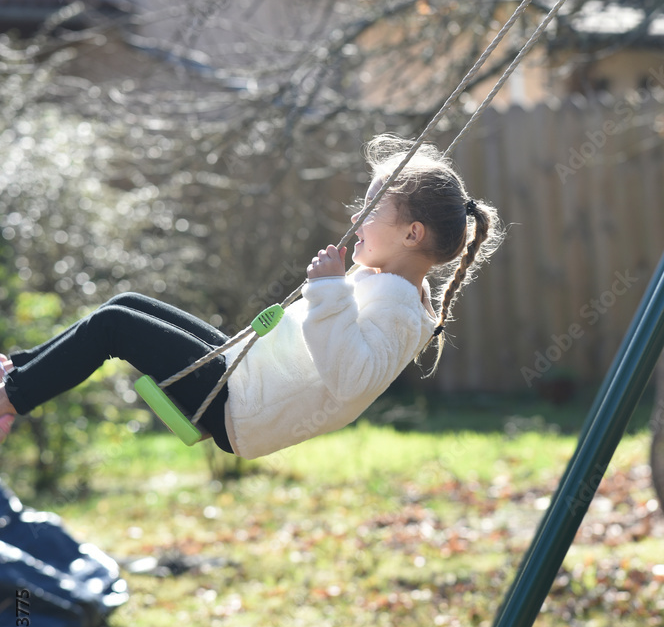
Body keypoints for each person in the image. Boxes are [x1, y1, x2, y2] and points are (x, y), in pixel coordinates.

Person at [0, 135, 503, 459]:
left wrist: (329, 290)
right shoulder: (392, 288)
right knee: (126, 307)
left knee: (116, 328)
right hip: (243, 382)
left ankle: (10, 396)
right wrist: (336, 287)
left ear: (412, 234)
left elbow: (352, 379)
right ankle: (18, 373)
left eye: (371, 209)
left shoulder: (398, 308)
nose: (356, 219)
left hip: (239, 408)